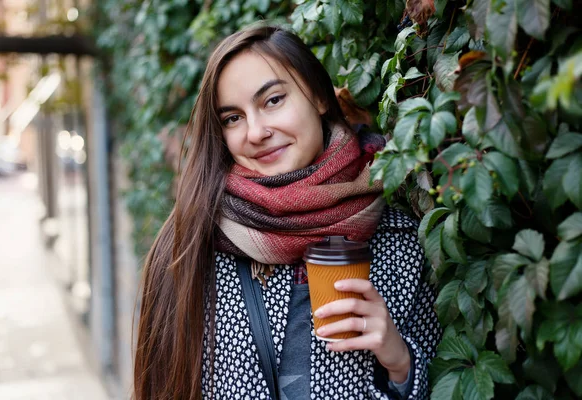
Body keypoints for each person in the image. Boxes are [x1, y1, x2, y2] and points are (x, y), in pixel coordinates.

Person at [133, 24, 440, 400]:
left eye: (273, 100)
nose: (256, 131)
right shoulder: (195, 241)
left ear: (318, 96)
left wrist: (401, 365)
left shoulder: (399, 242)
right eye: (233, 118)